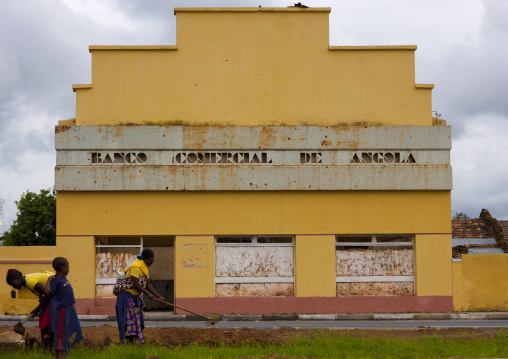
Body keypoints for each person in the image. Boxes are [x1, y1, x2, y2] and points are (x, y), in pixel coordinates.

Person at [115, 248, 164, 343]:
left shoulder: (144, 268)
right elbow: (135, 284)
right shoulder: (136, 267)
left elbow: (148, 285)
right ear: (149, 258)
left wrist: (159, 297)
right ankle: (129, 344)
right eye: (152, 259)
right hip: (127, 297)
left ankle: (134, 342)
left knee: (136, 321)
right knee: (129, 321)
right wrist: (148, 294)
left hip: (134, 298)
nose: (152, 262)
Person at [6, 268, 54, 350]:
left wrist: (37, 309)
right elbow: (42, 294)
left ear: (17, 279)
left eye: (13, 284)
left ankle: (49, 348)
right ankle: (45, 347)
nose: (14, 287)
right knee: (43, 321)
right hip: (50, 296)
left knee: (47, 322)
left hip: (55, 294)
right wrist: (38, 309)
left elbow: (48, 293)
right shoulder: (27, 281)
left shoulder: (30, 281)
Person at [45, 257, 83, 359]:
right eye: (68, 266)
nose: (69, 268)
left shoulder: (63, 279)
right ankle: (62, 355)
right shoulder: (56, 281)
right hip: (61, 311)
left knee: (62, 333)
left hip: (67, 310)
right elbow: (48, 291)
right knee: (62, 334)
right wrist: (49, 280)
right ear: (63, 268)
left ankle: (58, 356)